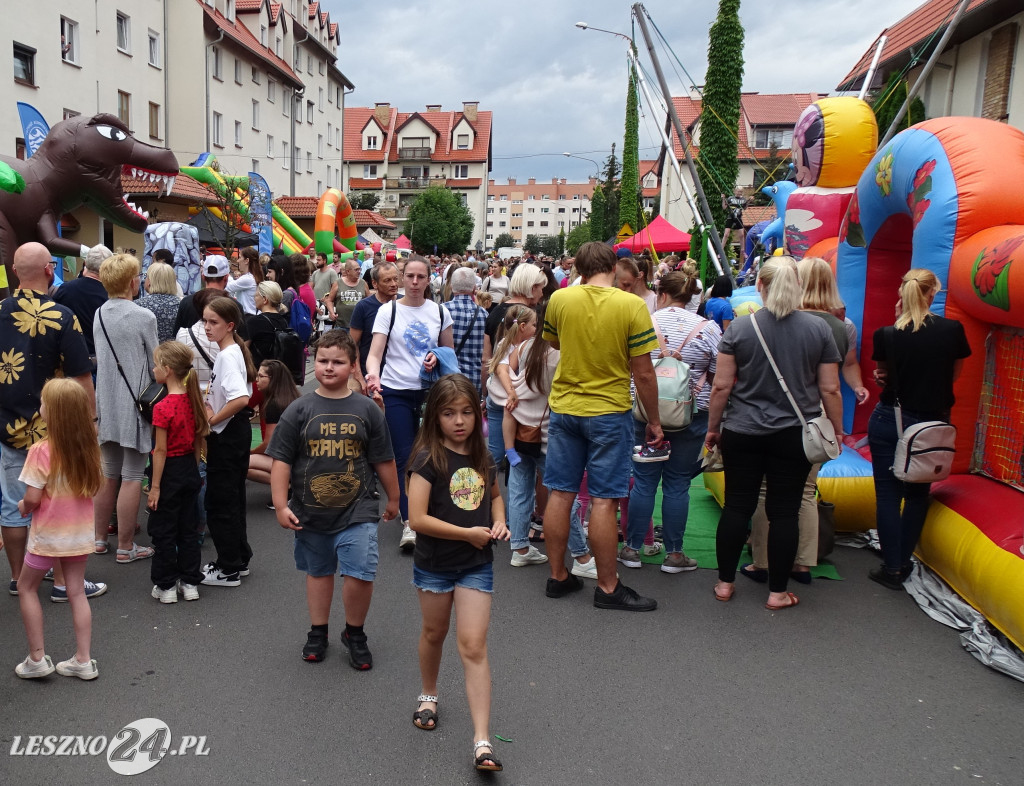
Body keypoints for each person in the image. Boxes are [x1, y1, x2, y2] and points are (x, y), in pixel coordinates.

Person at [704, 256, 843, 609]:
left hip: (743, 429)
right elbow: (830, 389)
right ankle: (777, 592)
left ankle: (724, 583)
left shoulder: (739, 328)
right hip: (793, 434)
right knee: (785, 510)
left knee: (738, 505)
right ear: (798, 288)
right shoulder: (819, 330)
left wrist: (712, 428)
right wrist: (837, 431)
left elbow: (721, 386)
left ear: (760, 287)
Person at [540, 241, 664, 611]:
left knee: (560, 493)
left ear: (578, 266)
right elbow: (643, 372)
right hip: (608, 411)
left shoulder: (561, 300)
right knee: (604, 501)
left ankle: (558, 575)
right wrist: (654, 420)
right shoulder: (631, 305)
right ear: (614, 265)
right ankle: (608, 587)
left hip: (565, 407)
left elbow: (554, 342)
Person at [267, 330, 400, 668]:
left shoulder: (366, 410)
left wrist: (395, 498)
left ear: (353, 365)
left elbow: (383, 458)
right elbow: (281, 461)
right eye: (322, 361)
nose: (328, 368)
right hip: (310, 511)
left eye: (338, 362)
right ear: (315, 362)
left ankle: (355, 632)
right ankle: (318, 630)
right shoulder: (298, 409)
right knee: (319, 572)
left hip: (358, 508)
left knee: (360, 574)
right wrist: (281, 504)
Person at [406, 375, 508, 773]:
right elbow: (417, 518)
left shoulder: (484, 456)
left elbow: (495, 497)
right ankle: (428, 693)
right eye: (449, 413)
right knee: (434, 633)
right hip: (434, 565)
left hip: (476, 566)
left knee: (473, 646)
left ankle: (482, 742)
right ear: (435, 416)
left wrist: (498, 523)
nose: (459, 421)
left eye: (466, 412)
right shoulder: (427, 459)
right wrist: (467, 533)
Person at [1, 243, 105, 601]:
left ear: (15, 271)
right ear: (50, 270)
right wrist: (89, 422)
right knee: (55, 504)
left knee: (13, 505)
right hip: (54, 428)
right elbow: (81, 377)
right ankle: (63, 583)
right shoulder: (61, 316)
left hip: (6, 426)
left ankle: (20, 578)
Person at [867, 269, 970, 589]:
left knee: (887, 494)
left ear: (903, 293)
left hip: (891, 419)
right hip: (932, 422)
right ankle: (902, 561)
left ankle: (892, 566)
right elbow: (952, 376)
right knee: (917, 494)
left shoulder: (886, 334)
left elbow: (883, 375)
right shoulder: (952, 330)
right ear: (932, 293)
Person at [622, 272, 721, 573]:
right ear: (691, 296)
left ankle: (632, 549)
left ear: (660, 293)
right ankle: (675, 555)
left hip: (643, 411)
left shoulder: (644, 321)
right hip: (690, 415)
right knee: (678, 484)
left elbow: (628, 365)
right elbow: (719, 379)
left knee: (644, 482)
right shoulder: (708, 329)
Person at [14, 379, 103, 680]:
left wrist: (23, 506)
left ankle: (37, 658)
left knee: (27, 587)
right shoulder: (88, 448)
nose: (40, 407)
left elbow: (33, 497)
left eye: (43, 403)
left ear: (53, 413)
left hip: (48, 537)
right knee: (76, 592)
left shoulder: (41, 450)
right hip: (78, 536)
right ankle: (83, 659)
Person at [365, 256, 455, 552]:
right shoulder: (387, 311)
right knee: (404, 458)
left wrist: (436, 356)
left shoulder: (440, 312)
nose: (415, 282)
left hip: (431, 392)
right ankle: (410, 523)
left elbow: (449, 354)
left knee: (435, 456)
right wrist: (373, 377)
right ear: (402, 278)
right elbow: (375, 353)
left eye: (421, 277)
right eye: (410, 276)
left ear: (430, 280)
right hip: (396, 390)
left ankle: (436, 515)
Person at [93, 253, 159, 564]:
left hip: (106, 400)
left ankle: (97, 539)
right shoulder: (143, 316)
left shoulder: (99, 313)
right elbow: (157, 361)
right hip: (136, 401)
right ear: (130, 281)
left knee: (108, 474)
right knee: (133, 475)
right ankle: (125, 546)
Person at [146, 341, 209, 604]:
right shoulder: (194, 400)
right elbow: (197, 442)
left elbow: (159, 451)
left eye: (157, 364)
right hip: (189, 469)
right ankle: (190, 581)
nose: (153, 368)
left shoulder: (162, 406)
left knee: (164, 530)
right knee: (188, 528)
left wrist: (155, 486)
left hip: (168, 471)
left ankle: (166, 584)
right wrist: (194, 469)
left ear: (168, 370)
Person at [200, 296, 256, 587]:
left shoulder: (227, 354)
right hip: (234, 433)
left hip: (227, 435)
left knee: (221, 502)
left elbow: (240, 398)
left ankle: (228, 567)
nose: (207, 327)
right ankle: (238, 558)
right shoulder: (232, 351)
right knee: (232, 499)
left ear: (229, 325)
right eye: (205, 321)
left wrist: (211, 420)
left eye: (214, 322)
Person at [482, 263, 546, 468]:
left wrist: (486, 393)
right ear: (532, 287)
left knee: (494, 453)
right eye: (540, 287)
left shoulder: (495, 312)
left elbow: (486, 358)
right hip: (523, 396)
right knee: (526, 460)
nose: (542, 292)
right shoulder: (532, 316)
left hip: (496, 390)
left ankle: (484, 497)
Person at [487, 305, 537, 468]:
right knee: (508, 411)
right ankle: (509, 449)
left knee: (495, 451)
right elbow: (502, 370)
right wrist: (511, 392)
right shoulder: (507, 344)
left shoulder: (518, 344)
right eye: (534, 325)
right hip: (504, 394)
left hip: (504, 394)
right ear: (523, 327)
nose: (536, 329)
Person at [53, 243, 111, 364]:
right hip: (101, 361)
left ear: (85, 264)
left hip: (70, 360)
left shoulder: (65, 289)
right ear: (109, 268)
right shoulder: (110, 295)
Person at [248, 359, 301, 489]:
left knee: (241, 463)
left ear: (273, 379)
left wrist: (252, 452)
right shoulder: (294, 398)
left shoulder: (274, 405)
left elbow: (269, 443)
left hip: (290, 462)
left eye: (261, 376)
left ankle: (289, 487)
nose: (256, 380)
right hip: (299, 459)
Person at [349, 262, 399, 394]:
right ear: (375, 283)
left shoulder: (404, 305)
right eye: (387, 280)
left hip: (398, 378)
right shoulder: (363, 307)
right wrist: (359, 376)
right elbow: (353, 343)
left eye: (395, 279)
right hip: (371, 377)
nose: (393, 284)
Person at [444, 267, 488, 397]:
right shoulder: (484, 314)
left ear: (451, 287)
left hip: (448, 380)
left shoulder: (441, 311)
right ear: (474, 289)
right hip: (474, 382)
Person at [174, 255, 233, 333]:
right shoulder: (234, 305)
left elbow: (176, 334)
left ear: (203, 277)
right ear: (226, 277)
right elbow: (242, 339)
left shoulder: (186, 302)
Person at [245, 281, 289, 369]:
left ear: (265, 299)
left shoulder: (254, 322)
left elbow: (243, 349)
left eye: (256, 295)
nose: (254, 298)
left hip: (259, 373)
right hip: (277, 372)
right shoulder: (283, 320)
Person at [136, 261, 182, 343]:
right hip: (174, 352)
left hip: (148, 353)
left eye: (146, 277)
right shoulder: (181, 304)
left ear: (150, 281)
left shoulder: (138, 305)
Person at [227, 247, 264, 316]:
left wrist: (225, 273)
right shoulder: (252, 276)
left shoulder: (247, 279)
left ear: (246, 260)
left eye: (240, 257)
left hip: (248, 316)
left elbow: (227, 288)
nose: (238, 261)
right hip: (252, 316)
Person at [334, 259, 368, 331]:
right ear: (348, 271)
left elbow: (369, 301)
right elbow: (330, 300)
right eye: (356, 270)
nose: (359, 272)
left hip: (359, 326)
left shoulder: (363, 283)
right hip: (341, 325)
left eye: (359, 269)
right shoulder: (338, 282)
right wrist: (331, 312)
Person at [311, 252, 340, 325]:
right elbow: (311, 288)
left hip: (326, 306)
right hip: (316, 306)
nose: (317, 262)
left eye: (319, 260)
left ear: (324, 261)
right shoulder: (315, 273)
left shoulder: (331, 272)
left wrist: (328, 298)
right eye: (316, 260)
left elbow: (335, 288)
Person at [721, 186, 748, 251]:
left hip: (738, 218)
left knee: (741, 234)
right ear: (735, 191)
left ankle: (742, 249)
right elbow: (724, 207)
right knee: (726, 234)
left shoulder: (743, 200)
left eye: (741, 192)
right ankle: (721, 248)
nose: (739, 193)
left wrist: (749, 201)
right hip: (731, 217)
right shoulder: (730, 198)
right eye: (738, 191)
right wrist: (723, 199)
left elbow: (744, 208)